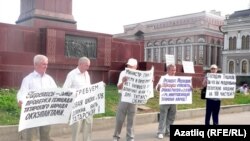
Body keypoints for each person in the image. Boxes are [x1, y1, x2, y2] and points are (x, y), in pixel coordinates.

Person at [17, 54, 57, 141]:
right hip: (32, 113)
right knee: (31, 137)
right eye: (43, 64)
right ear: (35, 64)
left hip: (46, 112)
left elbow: (56, 92)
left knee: (46, 136)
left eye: (46, 64)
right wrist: (21, 100)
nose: (46, 66)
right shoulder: (28, 79)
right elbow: (22, 93)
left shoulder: (49, 79)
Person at [63, 57, 92, 141]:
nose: (88, 68)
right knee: (76, 126)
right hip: (77, 105)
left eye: (88, 66)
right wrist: (77, 92)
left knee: (88, 124)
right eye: (86, 65)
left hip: (87, 104)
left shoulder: (87, 74)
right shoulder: (72, 74)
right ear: (80, 64)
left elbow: (89, 87)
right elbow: (65, 89)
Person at [113, 58, 138, 141]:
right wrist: (123, 82)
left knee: (131, 119)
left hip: (133, 99)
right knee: (119, 118)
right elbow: (118, 87)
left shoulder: (139, 74)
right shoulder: (123, 73)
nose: (129, 67)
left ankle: (130, 137)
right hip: (123, 97)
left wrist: (150, 80)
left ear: (135, 66)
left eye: (131, 66)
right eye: (128, 65)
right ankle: (116, 136)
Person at [155, 64, 177, 139]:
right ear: (168, 70)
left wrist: (188, 87)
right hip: (165, 101)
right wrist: (159, 87)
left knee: (171, 117)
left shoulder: (177, 78)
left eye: (175, 70)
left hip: (173, 101)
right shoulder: (163, 78)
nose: (174, 71)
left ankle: (168, 131)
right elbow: (157, 88)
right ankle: (160, 132)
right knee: (163, 117)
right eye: (172, 70)